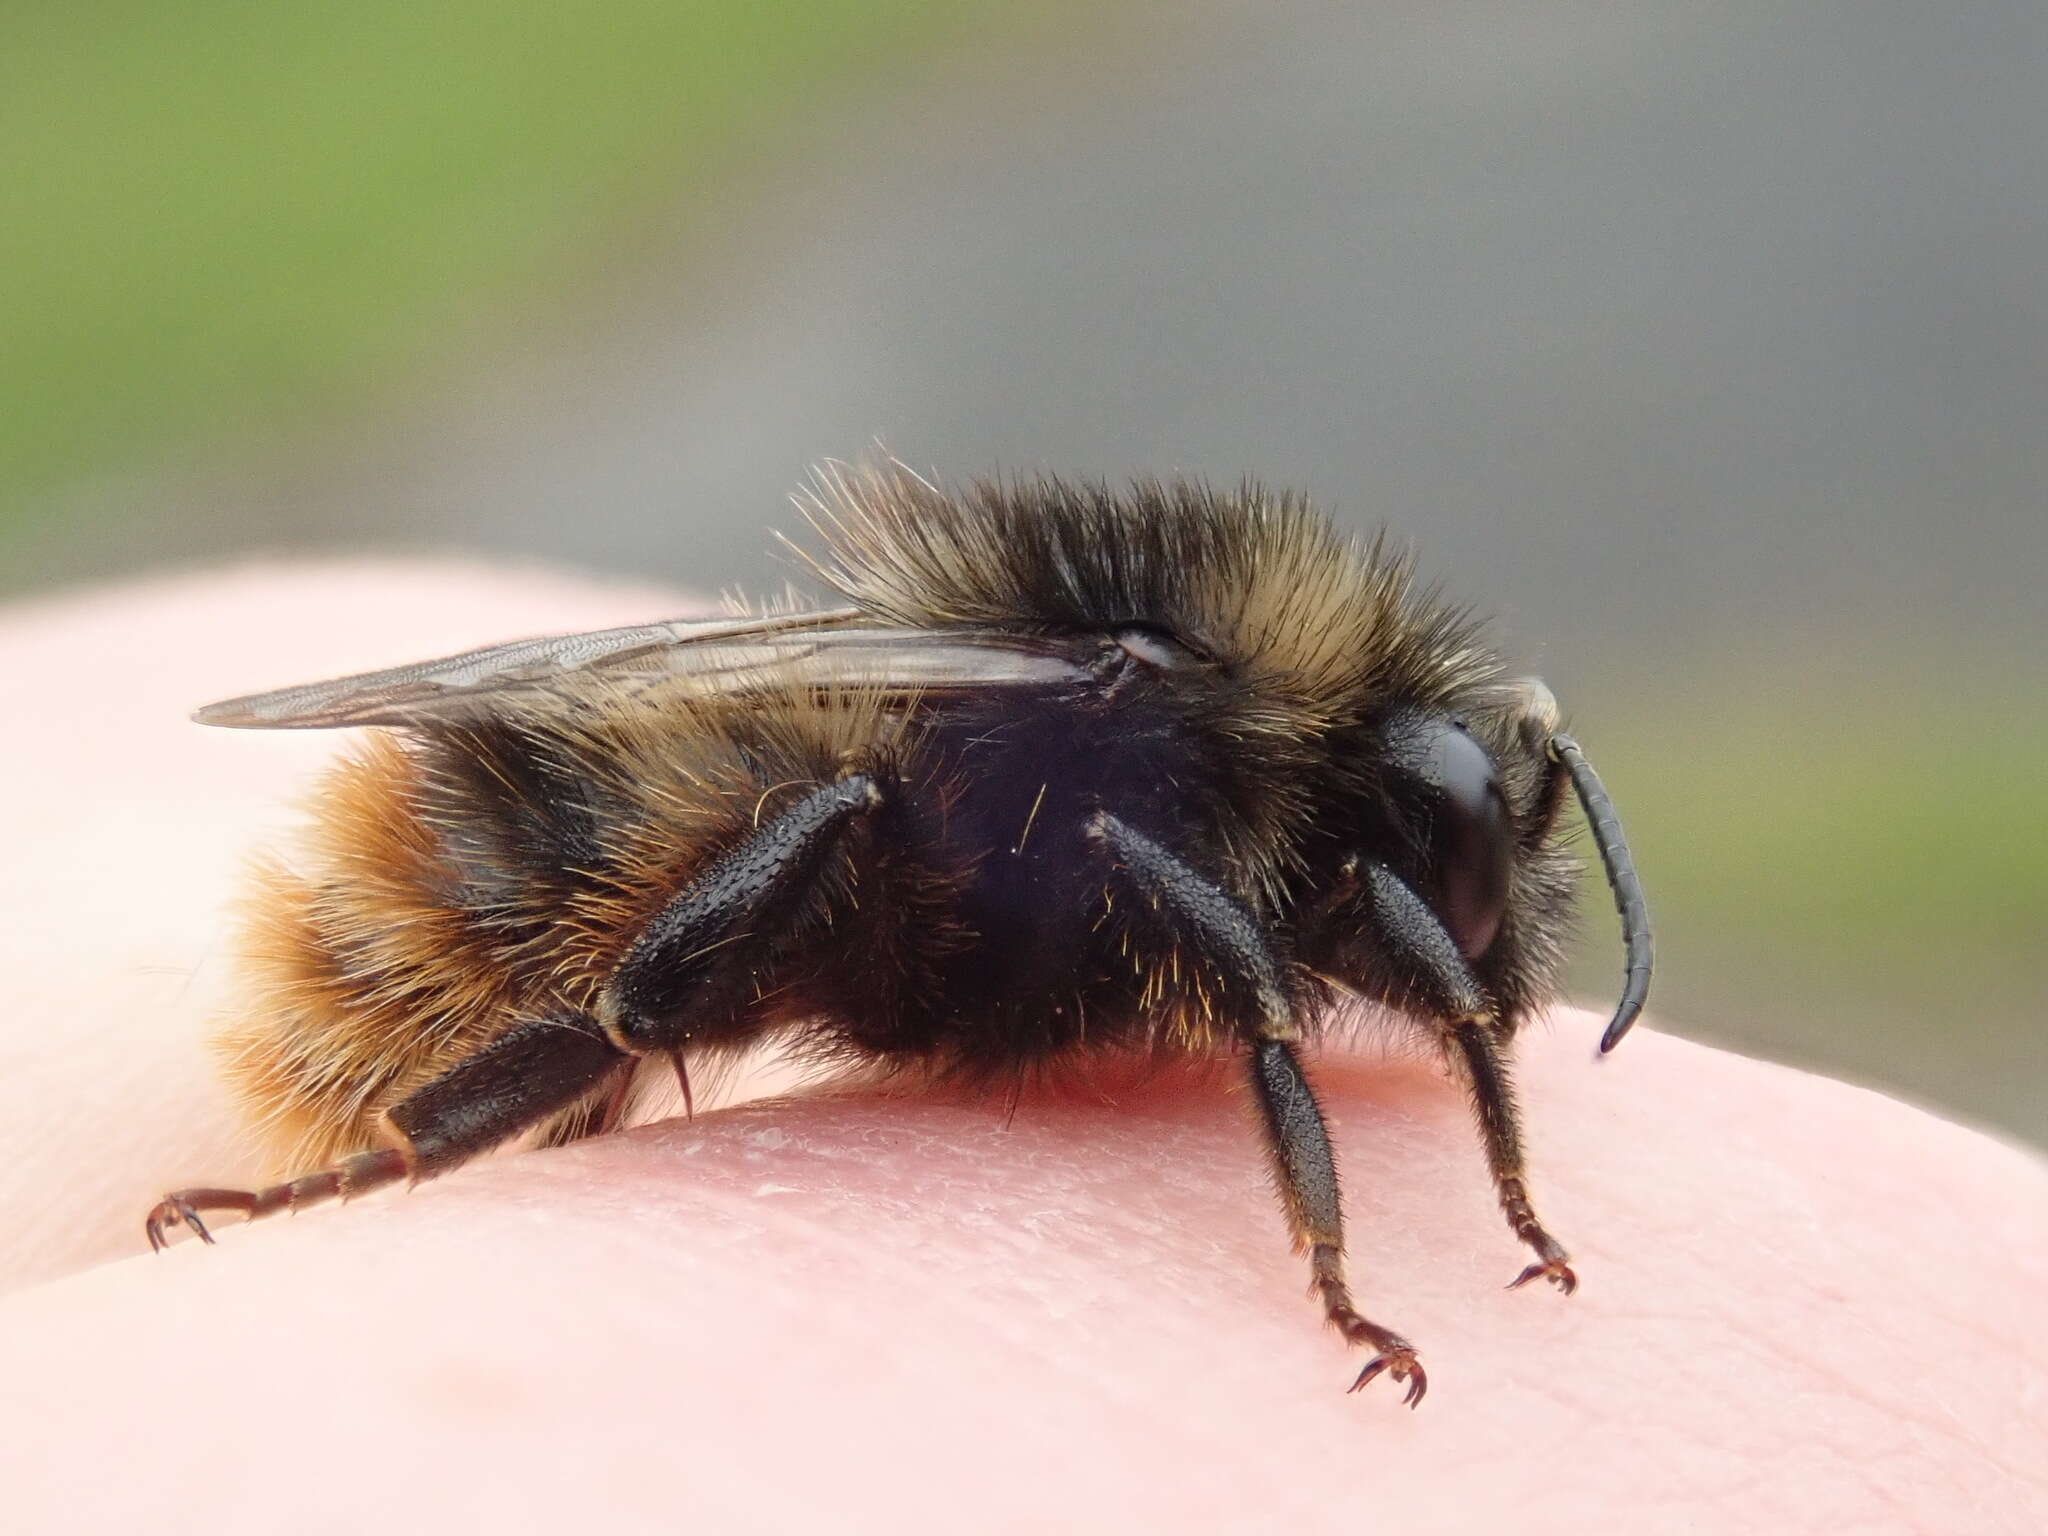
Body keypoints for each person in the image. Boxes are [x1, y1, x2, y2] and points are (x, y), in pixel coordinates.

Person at [1, 566, 2041, 1533]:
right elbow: (1242, 955)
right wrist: (1377, 1252)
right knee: (830, 827)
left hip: (604, 825)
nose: (1436, 935)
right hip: (503, 897)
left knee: (840, 829)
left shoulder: (1157, 772)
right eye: (1430, 852)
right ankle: (401, 1152)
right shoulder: (1157, 770)